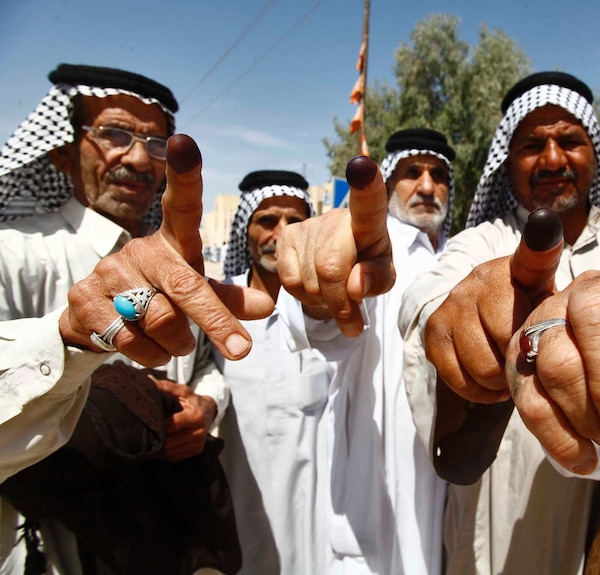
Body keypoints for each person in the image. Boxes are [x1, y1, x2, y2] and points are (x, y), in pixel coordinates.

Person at [278, 71, 600, 574]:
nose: (551, 159)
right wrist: (463, 324)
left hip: (591, 527)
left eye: (569, 141)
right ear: (507, 161)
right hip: (484, 528)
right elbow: (427, 301)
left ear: (595, 155)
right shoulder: (481, 242)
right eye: (531, 145)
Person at [0, 64, 228, 573]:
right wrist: (68, 341)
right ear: (62, 150)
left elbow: (209, 363)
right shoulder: (13, 253)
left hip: (172, 526)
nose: (136, 158)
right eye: (114, 134)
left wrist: (208, 406)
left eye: (154, 144)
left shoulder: (183, 263)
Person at [276, 128, 456, 574]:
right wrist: (320, 295)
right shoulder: (372, 248)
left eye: (438, 175)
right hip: (372, 485)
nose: (428, 187)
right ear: (391, 183)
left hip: (443, 478)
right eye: (412, 173)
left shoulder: (457, 257)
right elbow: (320, 324)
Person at [215, 170, 332, 574]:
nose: (281, 234)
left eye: (295, 223)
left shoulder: (329, 311)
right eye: (267, 220)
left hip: (316, 511)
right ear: (245, 228)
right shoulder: (215, 302)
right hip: (240, 495)